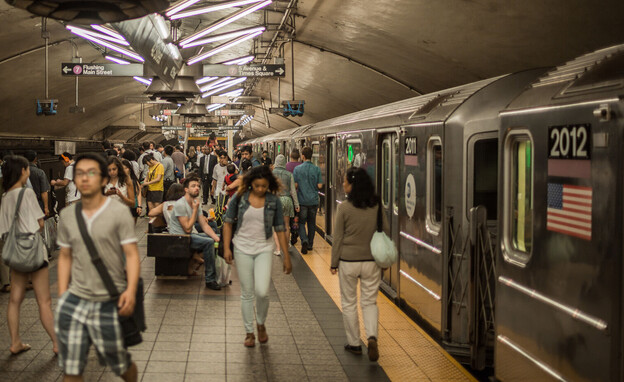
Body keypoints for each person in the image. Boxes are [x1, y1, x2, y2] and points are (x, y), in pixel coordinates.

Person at [55, 152, 140, 381]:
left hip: (107, 300)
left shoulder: (119, 213)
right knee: (72, 370)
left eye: (91, 173)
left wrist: (130, 292)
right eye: (79, 173)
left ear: (103, 180)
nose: (84, 178)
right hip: (76, 299)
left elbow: (131, 255)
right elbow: (64, 256)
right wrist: (63, 294)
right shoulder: (67, 216)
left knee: (121, 364)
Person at [222, 166, 292, 347]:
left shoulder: (273, 201)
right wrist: (226, 248)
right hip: (242, 248)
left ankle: (260, 323)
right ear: (250, 184)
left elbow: (280, 229)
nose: (260, 189)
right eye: (257, 185)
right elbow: (228, 223)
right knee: (246, 293)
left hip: (264, 248)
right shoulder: (239, 198)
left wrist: (286, 256)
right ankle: (249, 332)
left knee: (262, 291)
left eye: (264, 186)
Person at [0, 155, 58, 356]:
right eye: (26, 170)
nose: (27, 173)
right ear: (22, 171)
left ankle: (15, 342)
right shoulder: (26, 194)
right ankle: (57, 344)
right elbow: (39, 223)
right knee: (44, 301)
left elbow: (3, 229)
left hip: (15, 251)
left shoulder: (6, 196)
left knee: (15, 299)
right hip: (32, 250)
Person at [330, 167, 388, 362]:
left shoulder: (344, 208)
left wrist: (333, 262)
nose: (343, 185)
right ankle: (372, 336)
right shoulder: (377, 205)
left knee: (349, 303)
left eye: (345, 182)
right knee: (369, 302)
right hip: (371, 261)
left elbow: (338, 237)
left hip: (348, 261)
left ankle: (354, 343)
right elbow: (384, 231)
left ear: (353, 185)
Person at [168, 176, 222, 290]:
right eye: (193, 186)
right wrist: (195, 210)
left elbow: (204, 225)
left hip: (189, 235)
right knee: (208, 243)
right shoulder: (180, 204)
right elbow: (187, 228)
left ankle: (218, 274)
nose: (197, 188)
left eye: (198, 186)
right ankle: (210, 279)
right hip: (179, 238)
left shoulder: (196, 202)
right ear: (186, 189)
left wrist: (216, 238)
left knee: (218, 237)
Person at [293, 146, 323, 254]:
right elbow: (320, 185)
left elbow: (295, 185)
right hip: (314, 201)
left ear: (303, 156)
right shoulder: (317, 169)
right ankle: (310, 244)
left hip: (302, 201)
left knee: (301, 222)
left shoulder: (297, 169)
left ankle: (304, 240)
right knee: (311, 223)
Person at [272, 155, 299, 256]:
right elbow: (293, 191)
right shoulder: (289, 174)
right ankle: (286, 246)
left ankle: (278, 249)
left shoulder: (272, 174)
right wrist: (296, 204)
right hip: (287, 200)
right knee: (287, 225)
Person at [24, 150, 50, 216]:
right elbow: (44, 192)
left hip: (24, 203)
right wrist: (46, 207)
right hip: (37, 203)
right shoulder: (40, 172)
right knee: (38, 224)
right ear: (35, 158)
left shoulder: (20, 171)